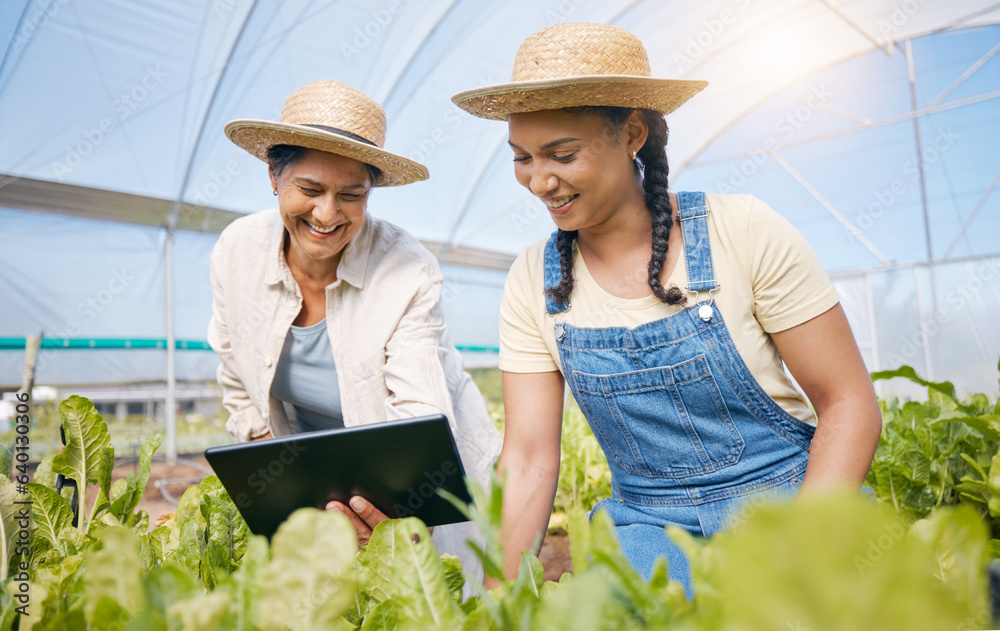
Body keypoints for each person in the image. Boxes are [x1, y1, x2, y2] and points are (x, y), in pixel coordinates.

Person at [451, 22, 882, 593]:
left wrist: (799, 559)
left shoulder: (742, 229)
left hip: (793, 501)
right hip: (649, 526)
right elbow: (529, 458)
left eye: (562, 154)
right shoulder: (533, 279)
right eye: (522, 158)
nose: (539, 181)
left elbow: (849, 404)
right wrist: (495, 600)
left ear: (633, 133)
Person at [208, 79, 502, 578]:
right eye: (309, 189)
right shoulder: (237, 251)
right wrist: (275, 476)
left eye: (351, 195)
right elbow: (234, 367)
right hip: (314, 482)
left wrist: (400, 509)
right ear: (273, 176)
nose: (327, 213)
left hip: (421, 477)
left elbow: (419, 418)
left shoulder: (406, 270)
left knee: (433, 599)